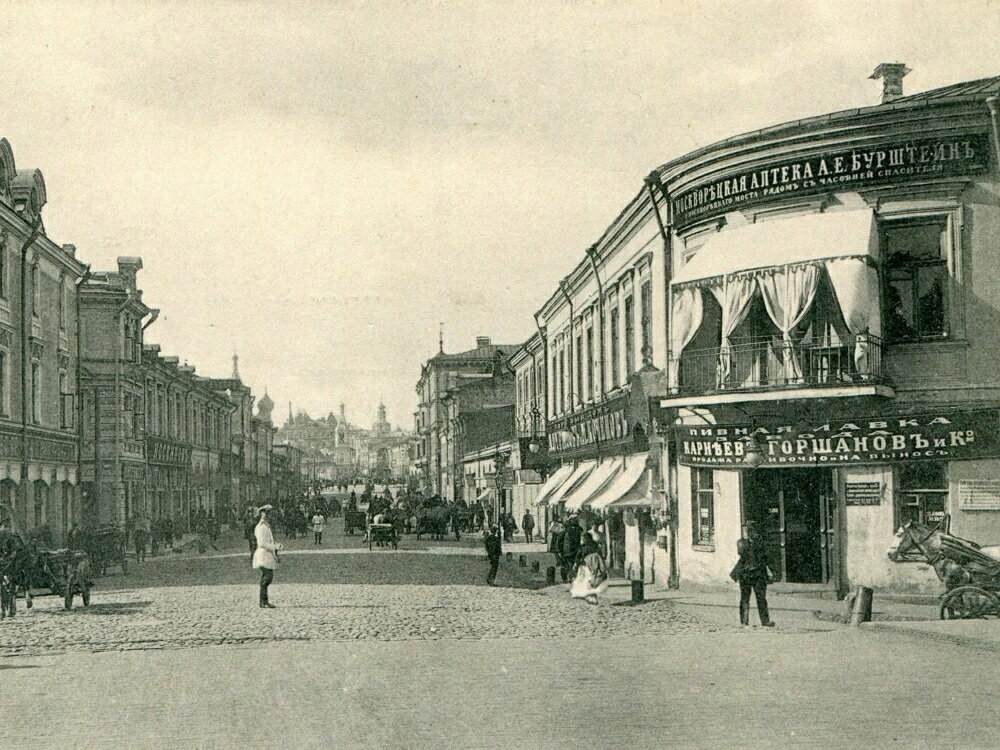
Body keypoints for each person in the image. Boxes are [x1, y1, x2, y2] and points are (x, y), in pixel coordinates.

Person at [730, 521, 775, 628]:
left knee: (761, 598)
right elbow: (741, 552)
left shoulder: (761, 543)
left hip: (759, 573)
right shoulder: (742, 543)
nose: (748, 532)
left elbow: (766, 558)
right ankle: (744, 621)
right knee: (745, 598)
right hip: (745, 573)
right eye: (747, 530)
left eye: (750, 530)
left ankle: (765, 621)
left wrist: (770, 571)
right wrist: (748, 540)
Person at [253, 505, 283, 608]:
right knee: (267, 578)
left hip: (267, 554)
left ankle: (264, 601)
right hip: (263, 555)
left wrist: (275, 545)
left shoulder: (266, 526)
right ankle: (263, 601)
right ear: (262, 514)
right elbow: (262, 543)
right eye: (267, 514)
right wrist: (275, 546)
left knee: (267, 578)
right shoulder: (261, 527)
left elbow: (267, 541)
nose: (269, 516)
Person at [570, 528, 609, 605]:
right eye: (581, 538)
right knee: (588, 582)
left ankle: (591, 596)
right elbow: (578, 557)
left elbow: (579, 557)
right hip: (586, 567)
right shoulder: (590, 546)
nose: (582, 540)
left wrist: (576, 564)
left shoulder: (588, 547)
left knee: (589, 581)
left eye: (583, 538)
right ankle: (590, 596)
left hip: (590, 568)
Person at [560, 515, 582, 583]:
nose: (575, 521)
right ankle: (567, 578)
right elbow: (560, 540)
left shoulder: (579, 529)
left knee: (574, 564)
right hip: (567, 551)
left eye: (576, 520)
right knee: (567, 565)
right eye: (574, 519)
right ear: (570, 520)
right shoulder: (566, 530)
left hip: (576, 550)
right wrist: (560, 551)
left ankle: (572, 577)